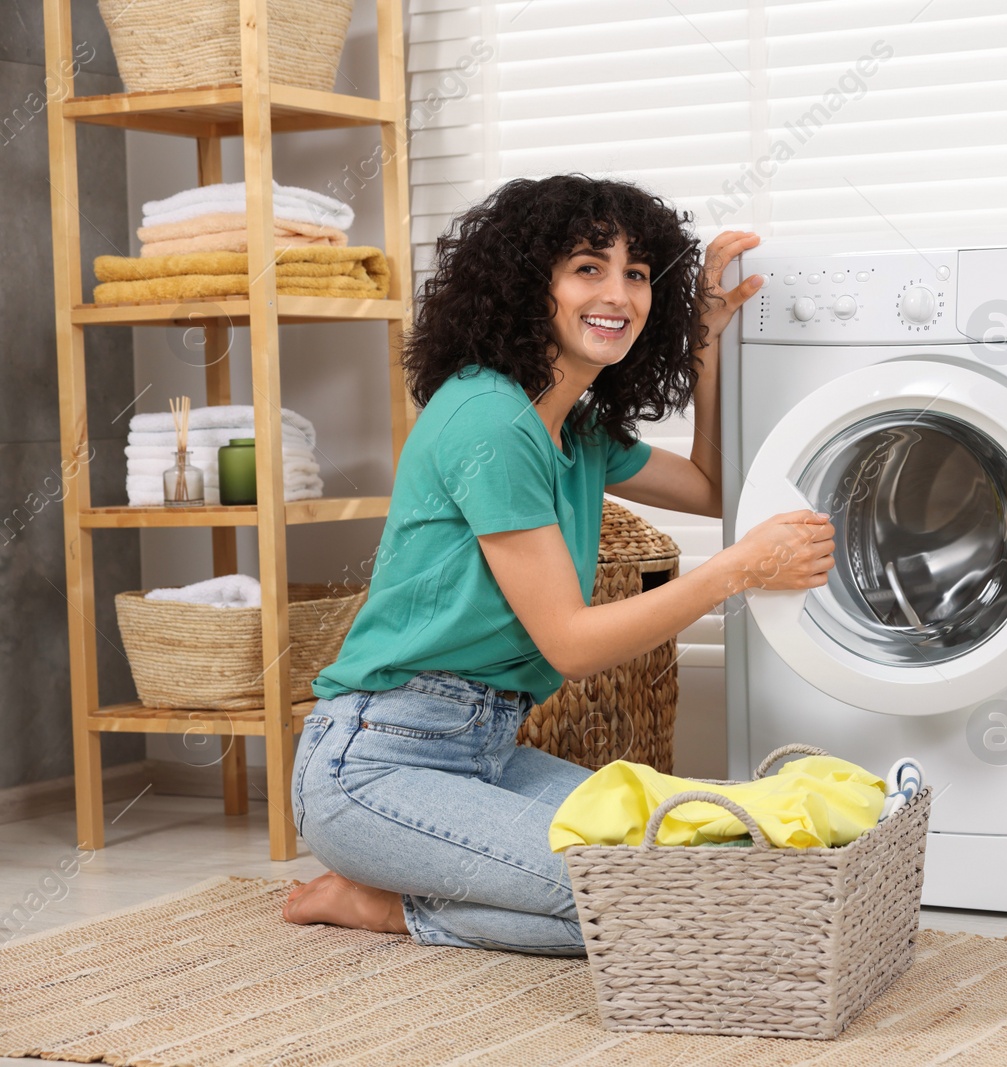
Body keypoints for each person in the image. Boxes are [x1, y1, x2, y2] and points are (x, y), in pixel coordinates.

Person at [282, 174, 835, 954]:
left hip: (487, 751)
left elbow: (714, 487)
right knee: (649, 909)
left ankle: (412, 883)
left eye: (637, 274)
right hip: (371, 768)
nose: (620, 293)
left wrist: (704, 337)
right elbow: (569, 643)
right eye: (588, 267)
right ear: (524, 281)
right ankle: (383, 905)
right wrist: (739, 570)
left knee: (705, 867)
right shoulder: (490, 418)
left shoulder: (574, 427)